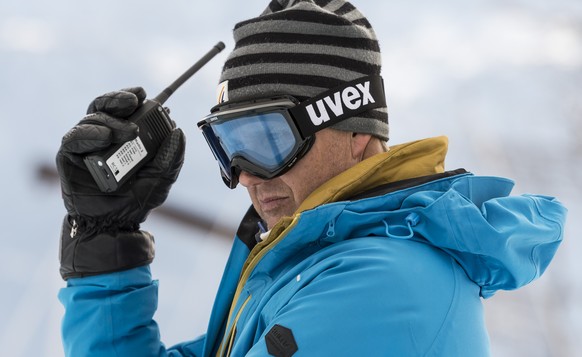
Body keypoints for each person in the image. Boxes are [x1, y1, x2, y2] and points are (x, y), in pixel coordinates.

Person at [56, 1, 567, 356]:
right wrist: (107, 244)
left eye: (266, 139)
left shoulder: (382, 283)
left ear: (354, 128)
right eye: (229, 146)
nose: (247, 177)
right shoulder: (308, 267)